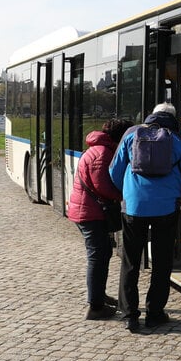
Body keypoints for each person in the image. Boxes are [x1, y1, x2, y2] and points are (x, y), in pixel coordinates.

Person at [109, 102, 181, 333]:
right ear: (173, 118)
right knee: (163, 262)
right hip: (166, 207)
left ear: (152, 114)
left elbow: (114, 170)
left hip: (134, 207)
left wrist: (129, 193)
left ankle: (129, 315)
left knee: (131, 262)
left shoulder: (131, 133)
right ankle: (155, 314)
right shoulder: (179, 138)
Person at [68, 118, 132, 320]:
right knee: (98, 257)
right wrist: (124, 194)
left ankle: (98, 296)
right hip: (91, 213)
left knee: (101, 255)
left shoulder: (98, 149)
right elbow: (103, 186)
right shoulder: (103, 153)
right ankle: (95, 307)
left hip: (87, 210)